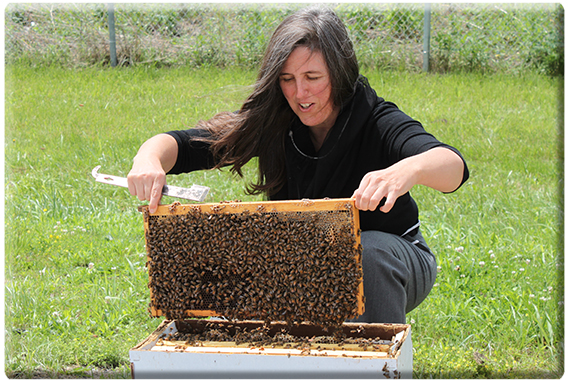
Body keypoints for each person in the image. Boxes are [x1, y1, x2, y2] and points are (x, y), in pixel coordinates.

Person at [127, 6, 469, 324]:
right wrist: (148, 158)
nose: (301, 93)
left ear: (339, 72)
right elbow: (185, 145)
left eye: (313, 77)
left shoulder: (377, 119)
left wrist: (406, 171)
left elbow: (452, 166)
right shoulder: (274, 119)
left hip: (395, 260)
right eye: (287, 79)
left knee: (370, 254)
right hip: (303, 258)